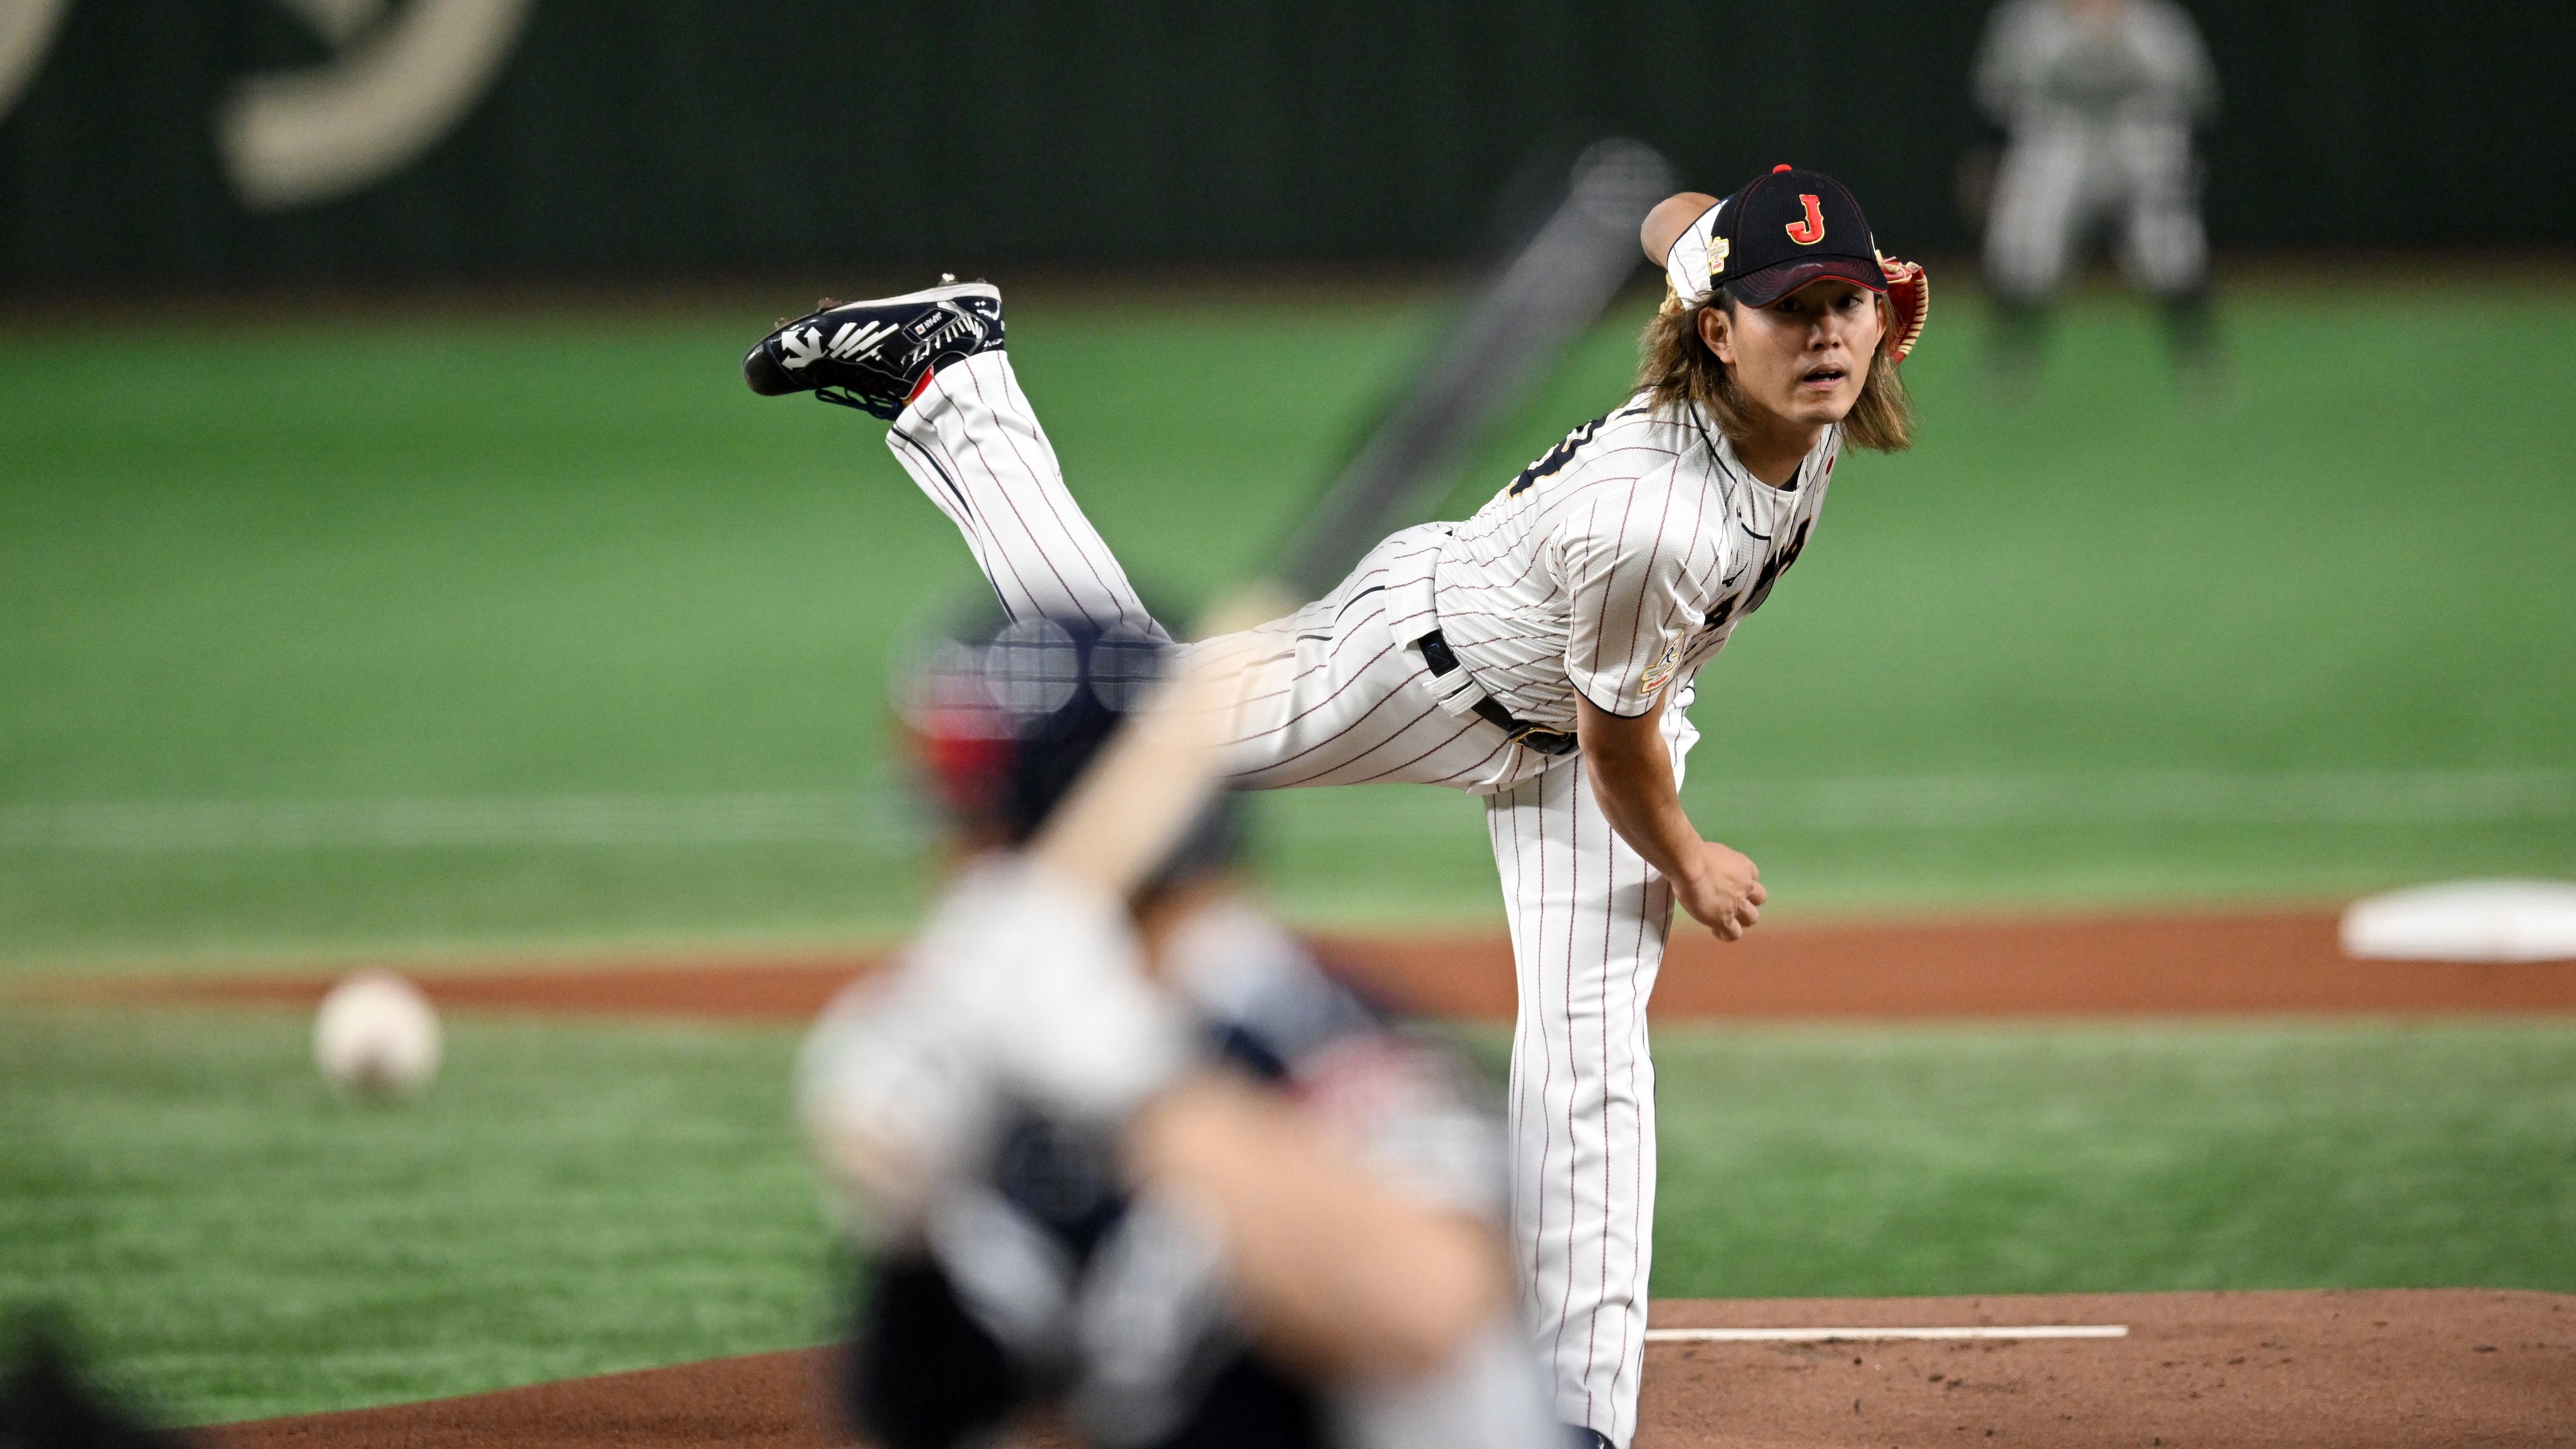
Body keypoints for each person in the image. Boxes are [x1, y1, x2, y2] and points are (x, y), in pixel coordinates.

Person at [748, 163, 1928, 1449]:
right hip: (1427, 665)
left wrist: (1701, 234)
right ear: (1719, 327)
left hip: (1585, 696)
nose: (1823, 331)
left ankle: (1581, 1421)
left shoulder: (1774, 346)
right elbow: (1620, 747)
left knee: (1592, 1055)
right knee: (1145, 720)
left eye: (1846, 302)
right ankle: (955, 382)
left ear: (1886, 309)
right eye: (1791, 305)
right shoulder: (1660, 523)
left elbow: (1676, 226)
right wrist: (1690, 861)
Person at [796, 616, 1562, 1449]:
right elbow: (942, 1410)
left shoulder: (1320, 1032)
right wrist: (907, 1233)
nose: (948, 863)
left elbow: (1425, 1308)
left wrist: (1139, 1081)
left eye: (968, 821)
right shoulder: (1030, 1074)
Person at [1974, 0, 2220, 383]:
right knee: (2025, 247)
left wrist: (2185, 157)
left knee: (2170, 249)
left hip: (2138, 135)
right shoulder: (2030, 20)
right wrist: (1988, 159)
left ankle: (2198, 355)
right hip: (2060, 136)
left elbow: (2194, 95)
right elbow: (1997, 97)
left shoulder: (2154, 22)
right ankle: (2010, 355)